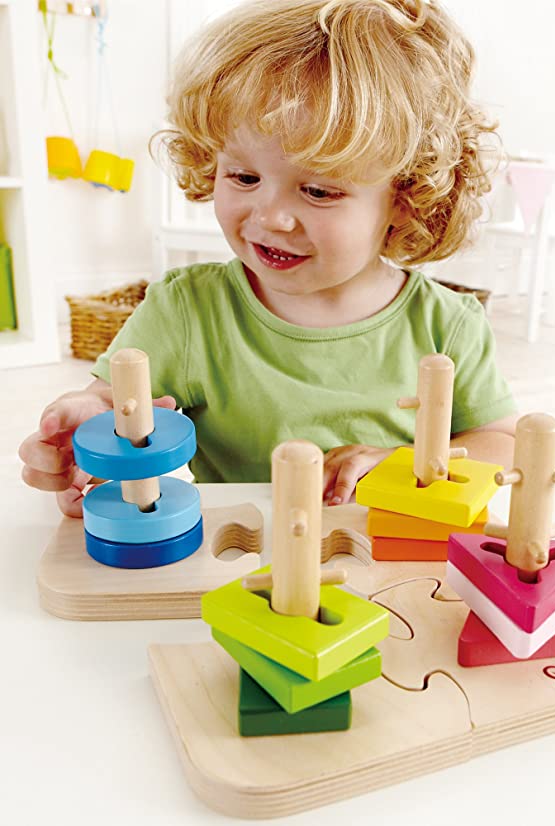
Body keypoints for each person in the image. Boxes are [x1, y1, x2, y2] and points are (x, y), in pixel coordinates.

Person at [19, 0, 518, 518]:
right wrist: (84, 436)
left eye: (319, 191)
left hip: (388, 555)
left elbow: (502, 442)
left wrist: (405, 462)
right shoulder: (187, 309)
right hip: (239, 555)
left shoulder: (448, 326)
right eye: (244, 177)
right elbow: (110, 403)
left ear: (405, 197)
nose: (272, 217)